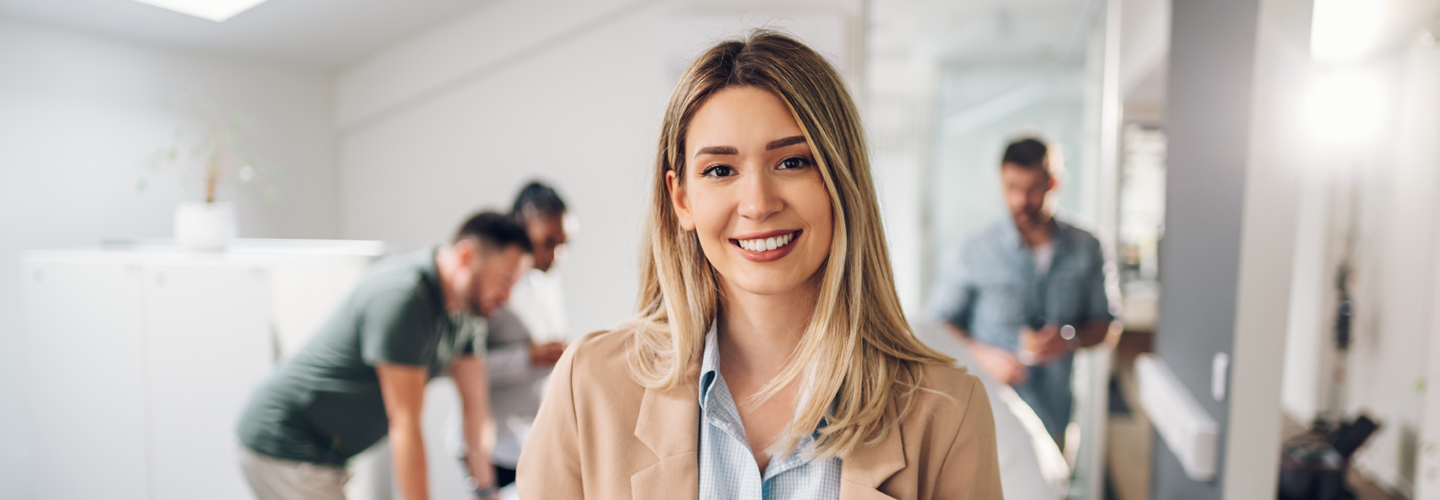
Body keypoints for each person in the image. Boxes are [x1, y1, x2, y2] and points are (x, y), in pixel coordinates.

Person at [516, 31, 1003, 499]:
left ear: (841, 178)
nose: (757, 203)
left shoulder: (948, 411)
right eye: (720, 170)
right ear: (680, 198)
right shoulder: (590, 386)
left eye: (792, 162)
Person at [236, 212, 533, 500]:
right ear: (467, 256)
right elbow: (405, 423)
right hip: (285, 441)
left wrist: (486, 492)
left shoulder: (467, 313)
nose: (507, 297)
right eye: (504, 281)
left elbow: (475, 409)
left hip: (326, 455)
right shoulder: (403, 297)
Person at [925, 137, 1119, 445]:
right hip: (989, 418)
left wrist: (1071, 338)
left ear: (1053, 182)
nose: (1021, 200)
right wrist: (982, 357)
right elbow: (937, 325)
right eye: (1012, 188)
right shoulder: (973, 249)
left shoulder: (1088, 247)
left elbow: (1108, 327)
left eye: (1032, 188)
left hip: (1056, 417)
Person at [448, 181, 570, 489]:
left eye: (563, 244)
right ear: (523, 224)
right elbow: (463, 365)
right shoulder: (488, 288)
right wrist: (527, 357)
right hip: (491, 442)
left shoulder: (546, 280)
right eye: (549, 241)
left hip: (526, 437)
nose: (555, 255)